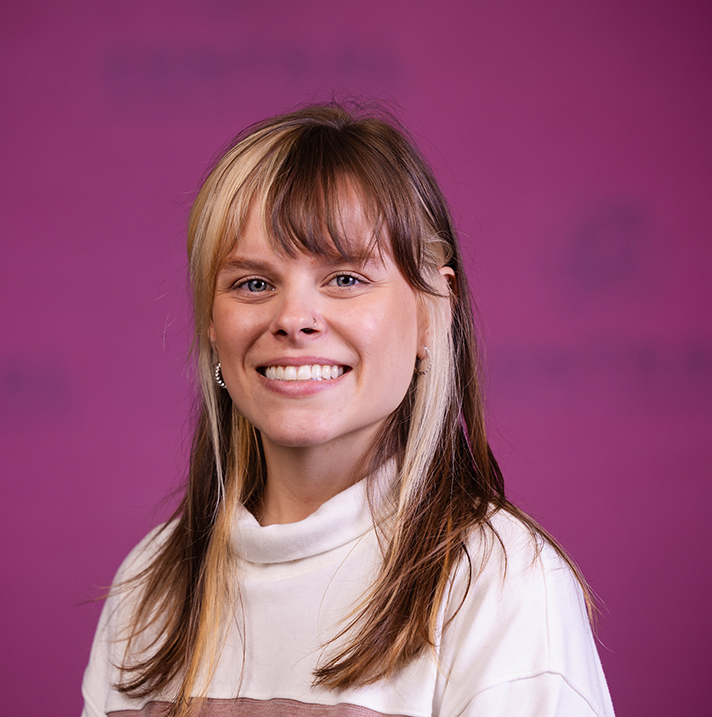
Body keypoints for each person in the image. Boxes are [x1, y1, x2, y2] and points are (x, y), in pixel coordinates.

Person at [80, 102, 616, 717]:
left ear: (432, 311)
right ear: (212, 325)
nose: (292, 319)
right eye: (254, 283)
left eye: (345, 278)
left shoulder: (503, 586)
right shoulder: (149, 584)